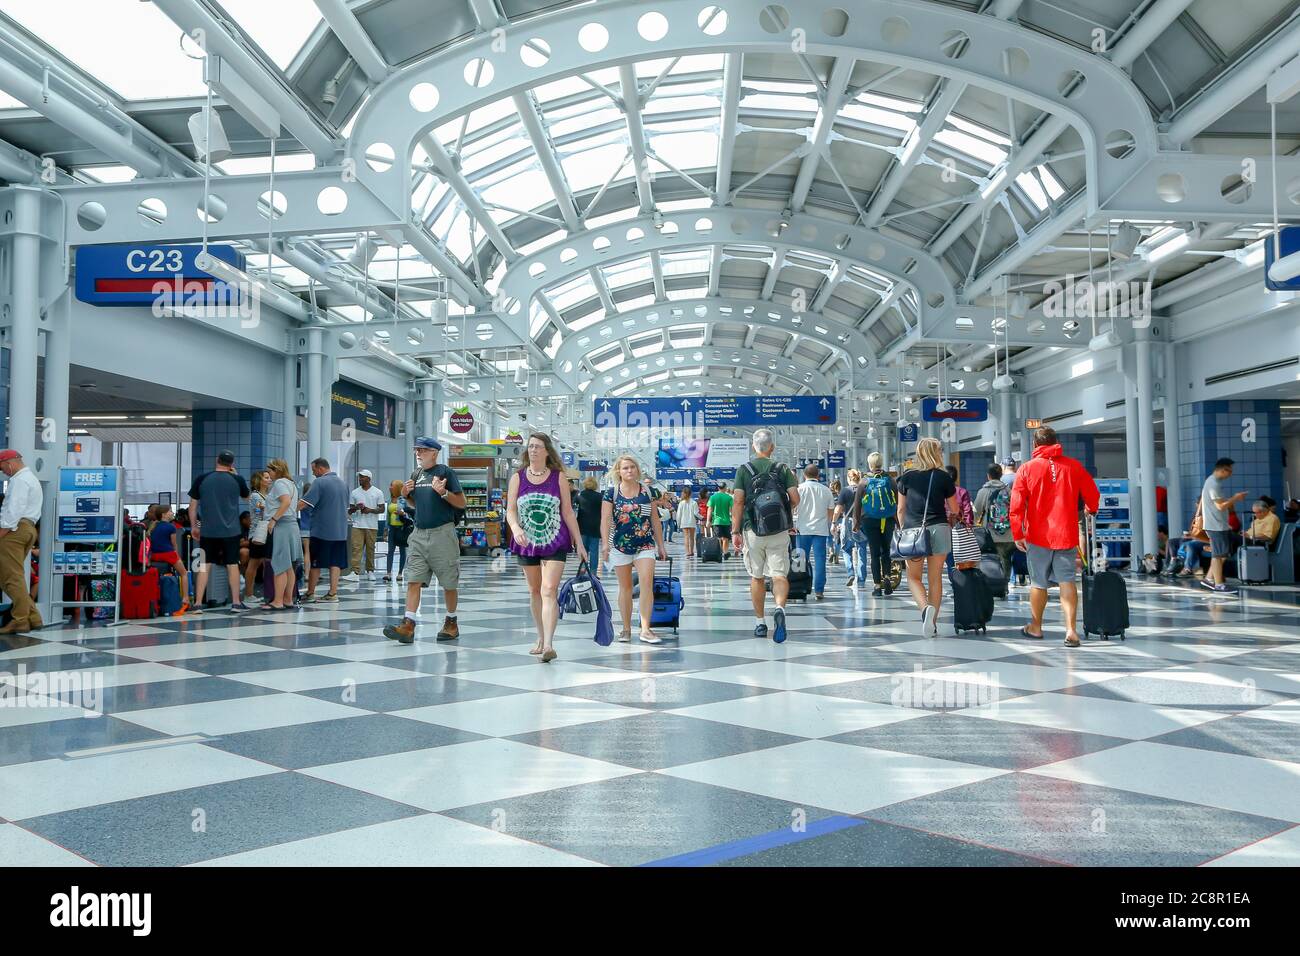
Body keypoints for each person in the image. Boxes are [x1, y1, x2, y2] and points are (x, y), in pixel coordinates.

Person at [1008, 426, 1100, 647]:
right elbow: (1093, 494)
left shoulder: (1027, 469)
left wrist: (1018, 532)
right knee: (1067, 580)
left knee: (1038, 582)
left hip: (1037, 535)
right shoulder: (1074, 466)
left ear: (1035, 445)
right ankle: (1071, 630)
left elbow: (1016, 505)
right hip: (1066, 534)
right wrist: (1091, 509)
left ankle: (1036, 627)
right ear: (1056, 442)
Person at [508, 433, 587, 663]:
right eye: (530, 446)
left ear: (546, 451)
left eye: (538, 447)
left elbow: (568, 512)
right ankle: (540, 637)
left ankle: (550, 644)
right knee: (534, 590)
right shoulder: (517, 478)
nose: (533, 450)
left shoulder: (558, 477)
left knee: (549, 589)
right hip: (526, 541)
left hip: (555, 539)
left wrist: (579, 542)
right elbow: (510, 509)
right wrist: (515, 528)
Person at [383, 437, 466, 644]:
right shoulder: (416, 474)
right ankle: (408, 625)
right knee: (413, 579)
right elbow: (415, 504)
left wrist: (444, 492)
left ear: (434, 453)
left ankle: (451, 622)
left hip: (442, 534)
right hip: (419, 534)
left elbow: (461, 502)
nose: (418, 453)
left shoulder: (445, 472)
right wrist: (406, 495)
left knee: (448, 582)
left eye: (423, 450)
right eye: (416, 450)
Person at [731, 428, 800, 642]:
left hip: (753, 530)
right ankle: (779, 607)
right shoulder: (782, 469)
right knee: (779, 574)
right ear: (772, 447)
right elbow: (795, 498)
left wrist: (735, 530)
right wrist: (786, 515)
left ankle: (760, 623)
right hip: (779, 530)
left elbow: (738, 502)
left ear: (754, 446)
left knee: (757, 576)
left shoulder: (744, 470)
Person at [896, 438, 960, 637]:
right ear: (936, 453)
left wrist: (903, 528)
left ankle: (925, 610)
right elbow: (955, 509)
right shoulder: (943, 477)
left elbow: (900, 510)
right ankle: (932, 624)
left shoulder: (906, 478)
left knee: (913, 577)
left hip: (913, 532)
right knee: (935, 579)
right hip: (939, 529)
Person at [601, 455, 668, 644]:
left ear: (637, 470)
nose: (629, 471)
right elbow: (605, 519)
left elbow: (654, 519)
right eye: (625, 468)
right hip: (620, 545)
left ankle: (645, 629)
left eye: (632, 467)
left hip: (645, 544)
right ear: (618, 472)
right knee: (626, 587)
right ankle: (626, 628)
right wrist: (605, 544)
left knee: (646, 582)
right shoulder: (611, 493)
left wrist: (661, 545)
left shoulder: (648, 491)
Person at [188, 450, 251, 613]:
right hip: (232, 531)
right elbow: (247, 498)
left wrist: (195, 526)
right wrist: (236, 475)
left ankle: (198, 603)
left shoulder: (202, 479)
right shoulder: (237, 479)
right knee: (232, 565)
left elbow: (193, 507)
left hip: (208, 531)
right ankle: (236, 602)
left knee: (204, 565)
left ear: (217, 460)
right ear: (231, 464)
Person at [0, 450, 44, 634]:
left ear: (9, 462)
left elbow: (13, 510)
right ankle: (33, 617)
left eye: (1, 467)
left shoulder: (19, 480)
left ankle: (20, 620)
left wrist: (2, 532)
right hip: (28, 529)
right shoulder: (31, 478)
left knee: (10, 577)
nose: (3, 471)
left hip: (15, 530)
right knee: (13, 575)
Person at [299, 458, 350, 603]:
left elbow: (304, 503)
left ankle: (310, 593)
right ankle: (333, 593)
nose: (314, 474)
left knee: (316, 563)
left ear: (321, 469)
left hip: (322, 531)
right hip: (340, 532)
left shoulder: (319, 482)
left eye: (314, 470)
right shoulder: (343, 483)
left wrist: (285, 512)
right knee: (335, 563)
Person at [1199, 457, 1249, 595]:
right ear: (1222, 469)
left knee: (1222, 553)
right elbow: (1220, 506)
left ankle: (1209, 578)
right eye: (1230, 471)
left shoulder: (1213, 481)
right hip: (1216, 525)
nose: (1231, 474)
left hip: (1220, 524)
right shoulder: (1213, 484)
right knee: (1218, 555)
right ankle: (1219, 584)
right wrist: (1235, 498)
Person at [852, 452, 898, 597]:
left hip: (870, 520)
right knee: (886, 551)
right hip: (888, 519)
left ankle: (877, 586)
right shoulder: (890, 480)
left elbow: (857, 505)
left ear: (870, 465)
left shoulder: (864, 482)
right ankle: (887, 580)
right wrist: (898, 521)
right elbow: (896, 501)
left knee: (874, 553)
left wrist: (856, 523)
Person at [264, 459, 303, 610]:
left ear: (278, 470)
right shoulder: (291, 484)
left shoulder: (280, 483)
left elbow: (285, 502)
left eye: (271, 470)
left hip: (282, 526)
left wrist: (273, 519)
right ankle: (288, 599)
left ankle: (278, 601)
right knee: (289, 567)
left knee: (279, 564)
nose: (269, 473)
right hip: (292, 525)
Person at [794, 463, 834, 600]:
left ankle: (798, 586)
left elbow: (793, 508)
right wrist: (826, 523)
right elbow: (830, 511)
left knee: (799, 559)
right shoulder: (826, 490)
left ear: (804, 475)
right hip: (820, 530)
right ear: (818, 475)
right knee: (820, 560)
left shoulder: (799, 489)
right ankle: (819, 590)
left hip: (802, 529)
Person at [973, 463, 1015, 579]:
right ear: (1001, 475)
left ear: (988, 476)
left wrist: (975, 527)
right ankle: (1005, 583)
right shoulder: (1009, 491)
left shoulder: (984, 491)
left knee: (993, 559)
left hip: (991, 535)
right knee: (1006, 559)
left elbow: (976, 512)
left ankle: (996, 584)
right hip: (1009, 534)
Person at [147, 506, 190, 615]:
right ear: (164, 515)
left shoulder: (153, 527)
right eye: (170, 511)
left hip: (155, 556)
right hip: (168, 554)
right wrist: (178, 556)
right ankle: (186, 598)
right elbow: (174, 545)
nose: (172, 513)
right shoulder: (171, 527)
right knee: (184, 573)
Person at [347, 469, 386, 583]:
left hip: (372, 525)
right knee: (356, 548)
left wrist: (370, 510)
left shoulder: (378, 492)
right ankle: (355, 572)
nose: (360, 479)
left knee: (370, 549)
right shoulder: (355, 492)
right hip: (357, 524)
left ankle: (370, 571)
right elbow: (350, 510)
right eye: (359, 477)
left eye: (362, 477)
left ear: (368, 479)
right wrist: (356, 508)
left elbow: (382, 509)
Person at [244, 470, 270, 605]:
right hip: (258, 533)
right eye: (266, 478)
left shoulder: (267, 495)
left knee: (266, 563)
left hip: (266, 532)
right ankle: (248, 593)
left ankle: (267, 591)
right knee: (254, 563)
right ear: (259, 480)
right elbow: (260, 512)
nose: (269, 480)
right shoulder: (255, 496)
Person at [575, 476, 604, 576]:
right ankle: (593, 572)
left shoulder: (580, 495)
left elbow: (574, 509)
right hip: (596, 526)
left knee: (584, 549)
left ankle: (583, 567)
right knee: (594, 551)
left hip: (582, 526)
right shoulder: (600, 496)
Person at [383, 479, 411, 582]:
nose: (390, 487)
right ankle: (388, 573)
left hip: (402, 529)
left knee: (402, 551)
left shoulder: (404, 499)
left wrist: (403, 514)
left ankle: (400, 573)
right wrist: (386, 529)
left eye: (392, 485)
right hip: (392, 529)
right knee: (390, 551)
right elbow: (388, 516)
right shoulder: (390, 500)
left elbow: (410, 513)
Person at [706, 482, 736, 559]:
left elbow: (710, 509)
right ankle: (725, 553)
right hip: (726, 521)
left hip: (716, 521)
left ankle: (719, 552)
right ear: (725, 488)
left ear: (718, 488)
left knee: (718, 538)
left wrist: (708, 521)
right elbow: (732, 510)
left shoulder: (713, 497)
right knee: (726, 538)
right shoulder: (729, 498)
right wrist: (734, 520)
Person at [298, 480, 313, 593]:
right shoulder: (314, 502)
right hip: (314, 530)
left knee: (306, 552)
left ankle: (307, 574)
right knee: (312, 553)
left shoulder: (301, 502)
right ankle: (312, 573)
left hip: (303, 529)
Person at [676, 486, 698, 558]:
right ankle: (691, 551)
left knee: (686, 537)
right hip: (692, 521)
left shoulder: (681, 503)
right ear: (690, 494)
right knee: (692, 537)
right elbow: (696, 513)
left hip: (684, 522)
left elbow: (679, 514)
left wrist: (678, 524)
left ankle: (687, 552)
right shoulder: (694, 502)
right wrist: (701, 518)